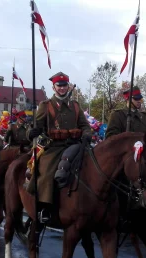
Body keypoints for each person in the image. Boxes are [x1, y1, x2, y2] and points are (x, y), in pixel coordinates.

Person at [26, 72, 91, 223]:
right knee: (48, 172)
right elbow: (34, 126)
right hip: (54, 147)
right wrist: (32, 132)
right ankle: (45, 207)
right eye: (59, 85)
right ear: (53, 87)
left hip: (76, 144)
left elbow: (84, 125)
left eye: (64, 85)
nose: (62, 88)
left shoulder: (75, 106)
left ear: (68, 86)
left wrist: (87, 133)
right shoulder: (45, 106)